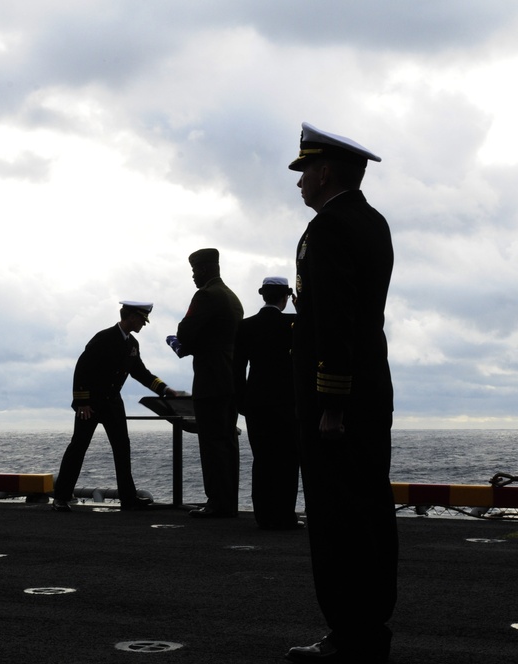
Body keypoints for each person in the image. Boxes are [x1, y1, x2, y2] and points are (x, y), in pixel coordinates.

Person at [285, 123, 398, 663]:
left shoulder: (327, 229)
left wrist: (330, 402)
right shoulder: (373, 222)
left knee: (336, 516)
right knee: (371, 508)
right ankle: (371, 626)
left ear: (325, 171)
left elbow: (333, 318)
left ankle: (348, 634)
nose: (300, 182)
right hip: (371, 386)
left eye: (305, 171)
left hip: (337, 395)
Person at [53, 302, 179, 512]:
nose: (143, 324)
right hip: (91, 404)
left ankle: (128, 499)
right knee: (78, 448)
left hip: (112, 403)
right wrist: (82, 402)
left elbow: (141, 373)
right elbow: (82, 368)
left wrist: (165, 389)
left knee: (122, 449)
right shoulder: (103, 338)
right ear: (130, 317)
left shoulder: (132, 345)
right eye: (141, 320)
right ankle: (61, 497)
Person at [169, 248, 244, 518]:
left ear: (202, 270)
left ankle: (216, 503)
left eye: (193, 271)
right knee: (227, 443)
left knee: (211, 444)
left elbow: (185, 331)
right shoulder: (232, 297)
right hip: (231, 379)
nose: (192, 277)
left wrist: (181, 342)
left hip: (210, 380)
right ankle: (228, 502)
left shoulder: (205, 295)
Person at [232, 276, 302, 530]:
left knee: (262, 460)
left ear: (263, 295)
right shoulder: (293, 323)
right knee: (287, 460)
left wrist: (241, 402)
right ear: (286, 297)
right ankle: (285, 515)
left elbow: (237, 369)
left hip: (256, 401)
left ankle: (263, 515)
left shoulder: (245, 326)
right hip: (287, 401)